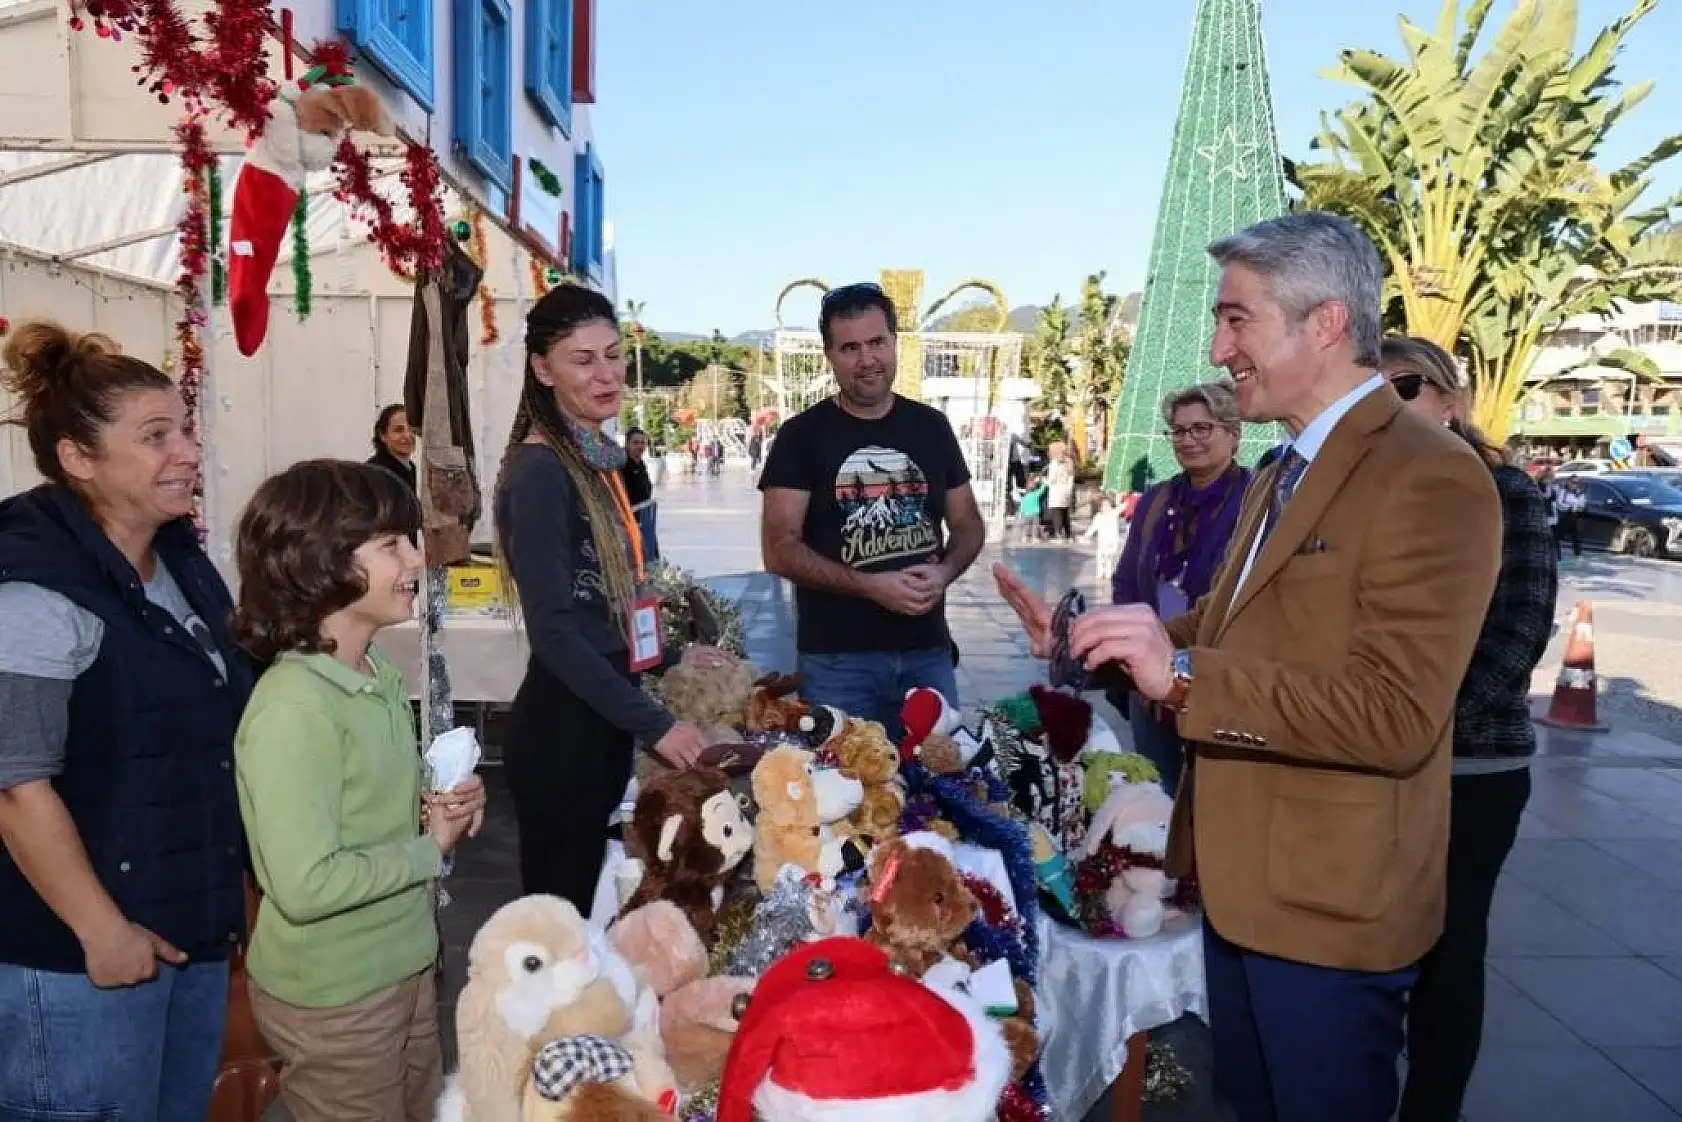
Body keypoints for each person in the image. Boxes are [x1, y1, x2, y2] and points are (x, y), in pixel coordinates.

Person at [995, 212, 1501, 1122]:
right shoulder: (1283, 471)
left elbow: (1394, 714)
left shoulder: (1430, 475)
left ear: (1326, 324)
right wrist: (1092, 638)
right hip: (1241, 887)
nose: (1219, 346)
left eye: (1239, 320)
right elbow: (1217, 625)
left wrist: (1182, 674)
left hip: (1330, 909)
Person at [0, 320, 255, 1122]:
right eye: (156, 436)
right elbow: (14, 784)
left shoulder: (179, 561)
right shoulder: (36, 591)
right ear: (79, 459)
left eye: (184, 428)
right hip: (77, 958)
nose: (186, 450)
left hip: (185, 930)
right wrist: (102, 931)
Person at [232, 460, 487, 1122]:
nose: (416, 555)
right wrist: (430, 850)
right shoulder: (294, 709)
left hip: (402, 966)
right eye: (392, 543)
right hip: (337, 998)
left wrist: (443, 796)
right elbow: (306, 884)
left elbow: (374, 797)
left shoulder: (370, 673)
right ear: (319, 562)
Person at [1380, 338, 1558, 1122]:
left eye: (1407, 387)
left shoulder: (1505, 492)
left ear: (1449, 400)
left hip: (1472, 770)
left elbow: (1520, 633)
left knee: (1451, 953)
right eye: (1374, 392)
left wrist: (1418, 726)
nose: (1391, 404)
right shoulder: (1371, 497)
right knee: (1382, 948)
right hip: (1378, 767)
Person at [494, 284, 708, 914]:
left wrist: (672, 660)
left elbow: (606, 610)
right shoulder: (539, 472)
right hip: (563, 738)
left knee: (591, 920)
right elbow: (557, 632)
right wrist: (658, 725)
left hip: (598, 728)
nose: (607, 373)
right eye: (583, 360)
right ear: (542, 369)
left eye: (613, 355)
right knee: (560, 933)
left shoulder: (593, 460)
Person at [758, 282, 986, 734]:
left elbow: (968, 526)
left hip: (928, 654)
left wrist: (944, 572)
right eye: (850, 347)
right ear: (830, 355)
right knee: (843, 793)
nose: (867, 359)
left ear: (895, 342)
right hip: (837, 663)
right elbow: (779, 548)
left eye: (877, 342)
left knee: (946, 787)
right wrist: (870, 586)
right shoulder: (801, 437)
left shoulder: (932, 428)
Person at [1107, 381, 1250, 796]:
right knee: (1156, 789)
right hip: (1149, 669)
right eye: (1179, 430)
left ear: (1233, 433)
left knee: (1214, 796)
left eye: (1202, 429)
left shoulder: (1255, 499)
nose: (1188, 440)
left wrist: (1183, 662)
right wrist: (1137, 656)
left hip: (1217, 672)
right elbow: (1127, 581)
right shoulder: (1156, 499)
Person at [621, 425, 660, 563]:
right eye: (635, 443)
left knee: (651, 557)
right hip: (628, 523)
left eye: (643, 443)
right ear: (627, 444)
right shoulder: (622, 466)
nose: (640, 446)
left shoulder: (641, 464)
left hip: (644, 521)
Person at [368, 403, 418, 492]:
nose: (407, 435)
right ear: (383, 435)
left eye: (411, 429)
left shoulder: (409, 467)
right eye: (398, 430)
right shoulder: (377, 472)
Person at [1081, 493, 1125, 589]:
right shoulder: (1099, 517)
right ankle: (1100, 572)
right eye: (1104, 506)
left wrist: (1124, 496)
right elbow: (1093, 527)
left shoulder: (1114, 513)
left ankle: (1109, 572)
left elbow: (1123, 506)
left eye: (1108, 505)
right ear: (1100, 508)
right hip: (1103, 541)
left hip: (1113, 540)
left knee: (1110, 557)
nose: (1106, 508)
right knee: (1101, 556)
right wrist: (1087, 535)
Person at [1044, 442, 1075, 538]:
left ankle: (1058, 533)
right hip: (1066, 491)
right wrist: (1069, 491)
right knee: (1065, 514)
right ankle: (1068, 533)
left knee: (1057, 513)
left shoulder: (1054, 464)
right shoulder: (1069, 462)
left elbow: (1051, 480)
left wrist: (1043, 480)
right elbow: (1071, 479)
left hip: (1056, 491)